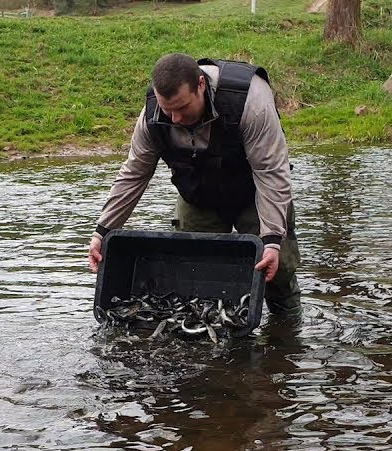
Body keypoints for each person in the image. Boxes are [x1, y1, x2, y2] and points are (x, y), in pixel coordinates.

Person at [87, 52, 301, 316]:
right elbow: (134, 173)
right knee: (195, 276)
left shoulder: (250, 100)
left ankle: (287, 341)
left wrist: (271, 241)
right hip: (198, 196)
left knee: (277, 274)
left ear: (200, 84)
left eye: (182, 107)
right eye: (168, 110)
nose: (174, 119)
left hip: (255, 193)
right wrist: (103, 231)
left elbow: (271, 172)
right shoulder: (153, 115)